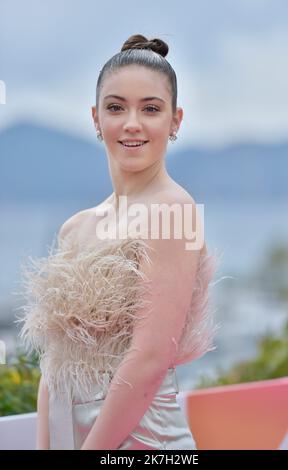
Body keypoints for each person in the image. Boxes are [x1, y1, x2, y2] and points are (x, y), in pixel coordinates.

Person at [18, 34, 219, 450]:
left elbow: (148, 361)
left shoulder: (173, 210)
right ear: (95, 118)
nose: (132, 123)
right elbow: (56, 364)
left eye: (150, 108)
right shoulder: (75, 228)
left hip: (143, 444)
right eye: (115, 107)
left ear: (175, 120)